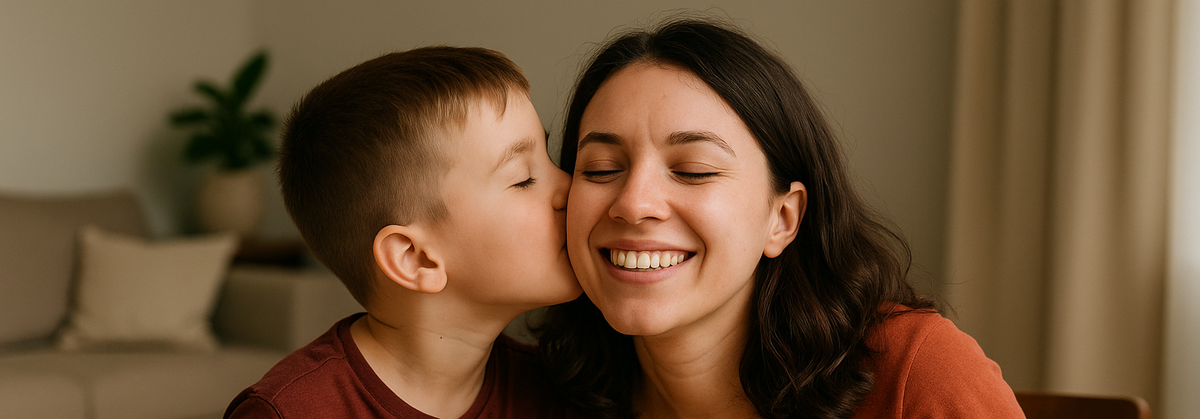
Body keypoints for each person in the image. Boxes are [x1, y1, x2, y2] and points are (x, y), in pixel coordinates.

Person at [536, 18, 1026, 419]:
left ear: (783, 218)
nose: (633, 202)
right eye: (601, 169)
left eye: (693, 170)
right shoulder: (532, 393)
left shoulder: (915, 374)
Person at [224, 46, 582, 418]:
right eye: (524, 179)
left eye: (550, 158)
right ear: (415, 258)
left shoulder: (556, 392)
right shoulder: (289, 411)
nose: (571, 187)